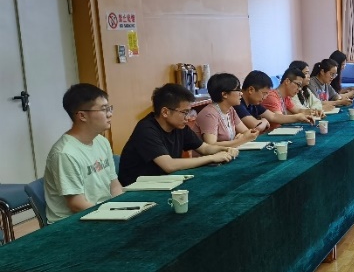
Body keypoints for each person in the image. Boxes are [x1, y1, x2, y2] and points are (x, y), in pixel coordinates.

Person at [118, 84, 238, 186]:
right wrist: (212, 158)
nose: (188, 118)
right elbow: (169, 165)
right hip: (137, 189)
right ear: (165, 112)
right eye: (185, 112)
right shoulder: (146, 130)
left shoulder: (179, 126)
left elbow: (204, 148)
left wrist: (225, 149)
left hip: (165, 183)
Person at [43, 84, 123, 224]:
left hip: (102, 213)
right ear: (82, 116)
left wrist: (123, 208)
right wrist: (111, 216)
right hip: (72, 223)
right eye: (103, 109)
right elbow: (77, 204)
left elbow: (114, 184)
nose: (110, 114)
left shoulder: (101, 141)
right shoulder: (65, 153)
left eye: (109, 108)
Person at [192, 73, 259, 147]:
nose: (241, 93)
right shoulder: (209, 114)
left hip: (226, 152)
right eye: (238, 90)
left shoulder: (230, 110)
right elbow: (211, 145)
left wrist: (243, 136)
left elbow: (247, 132)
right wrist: (240, 140)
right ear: (224, 94)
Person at [235, 70, 315, 132]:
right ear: (251, 90)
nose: (265, 97)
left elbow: (273, 116)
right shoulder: (238, 103)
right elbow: (256, 126)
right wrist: (264, 120)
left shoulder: (254, 103)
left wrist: (298, 117)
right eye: (264, 93)